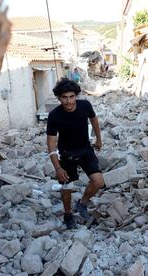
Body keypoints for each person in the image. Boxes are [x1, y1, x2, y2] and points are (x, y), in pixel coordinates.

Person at [46, 78, 104, 229]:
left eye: (72, 97)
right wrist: (58, 168)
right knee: (66, 187)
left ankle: (82, 203)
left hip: (85, 149)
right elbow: (51, 144)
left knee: (98, 182)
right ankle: (68, 215)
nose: (69, 101)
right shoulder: (54, 116)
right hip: (67, 154)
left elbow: (94, 119)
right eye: (64, 97)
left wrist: (98, 139)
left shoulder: (85, 105)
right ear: (59, 98)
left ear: (76, 95)